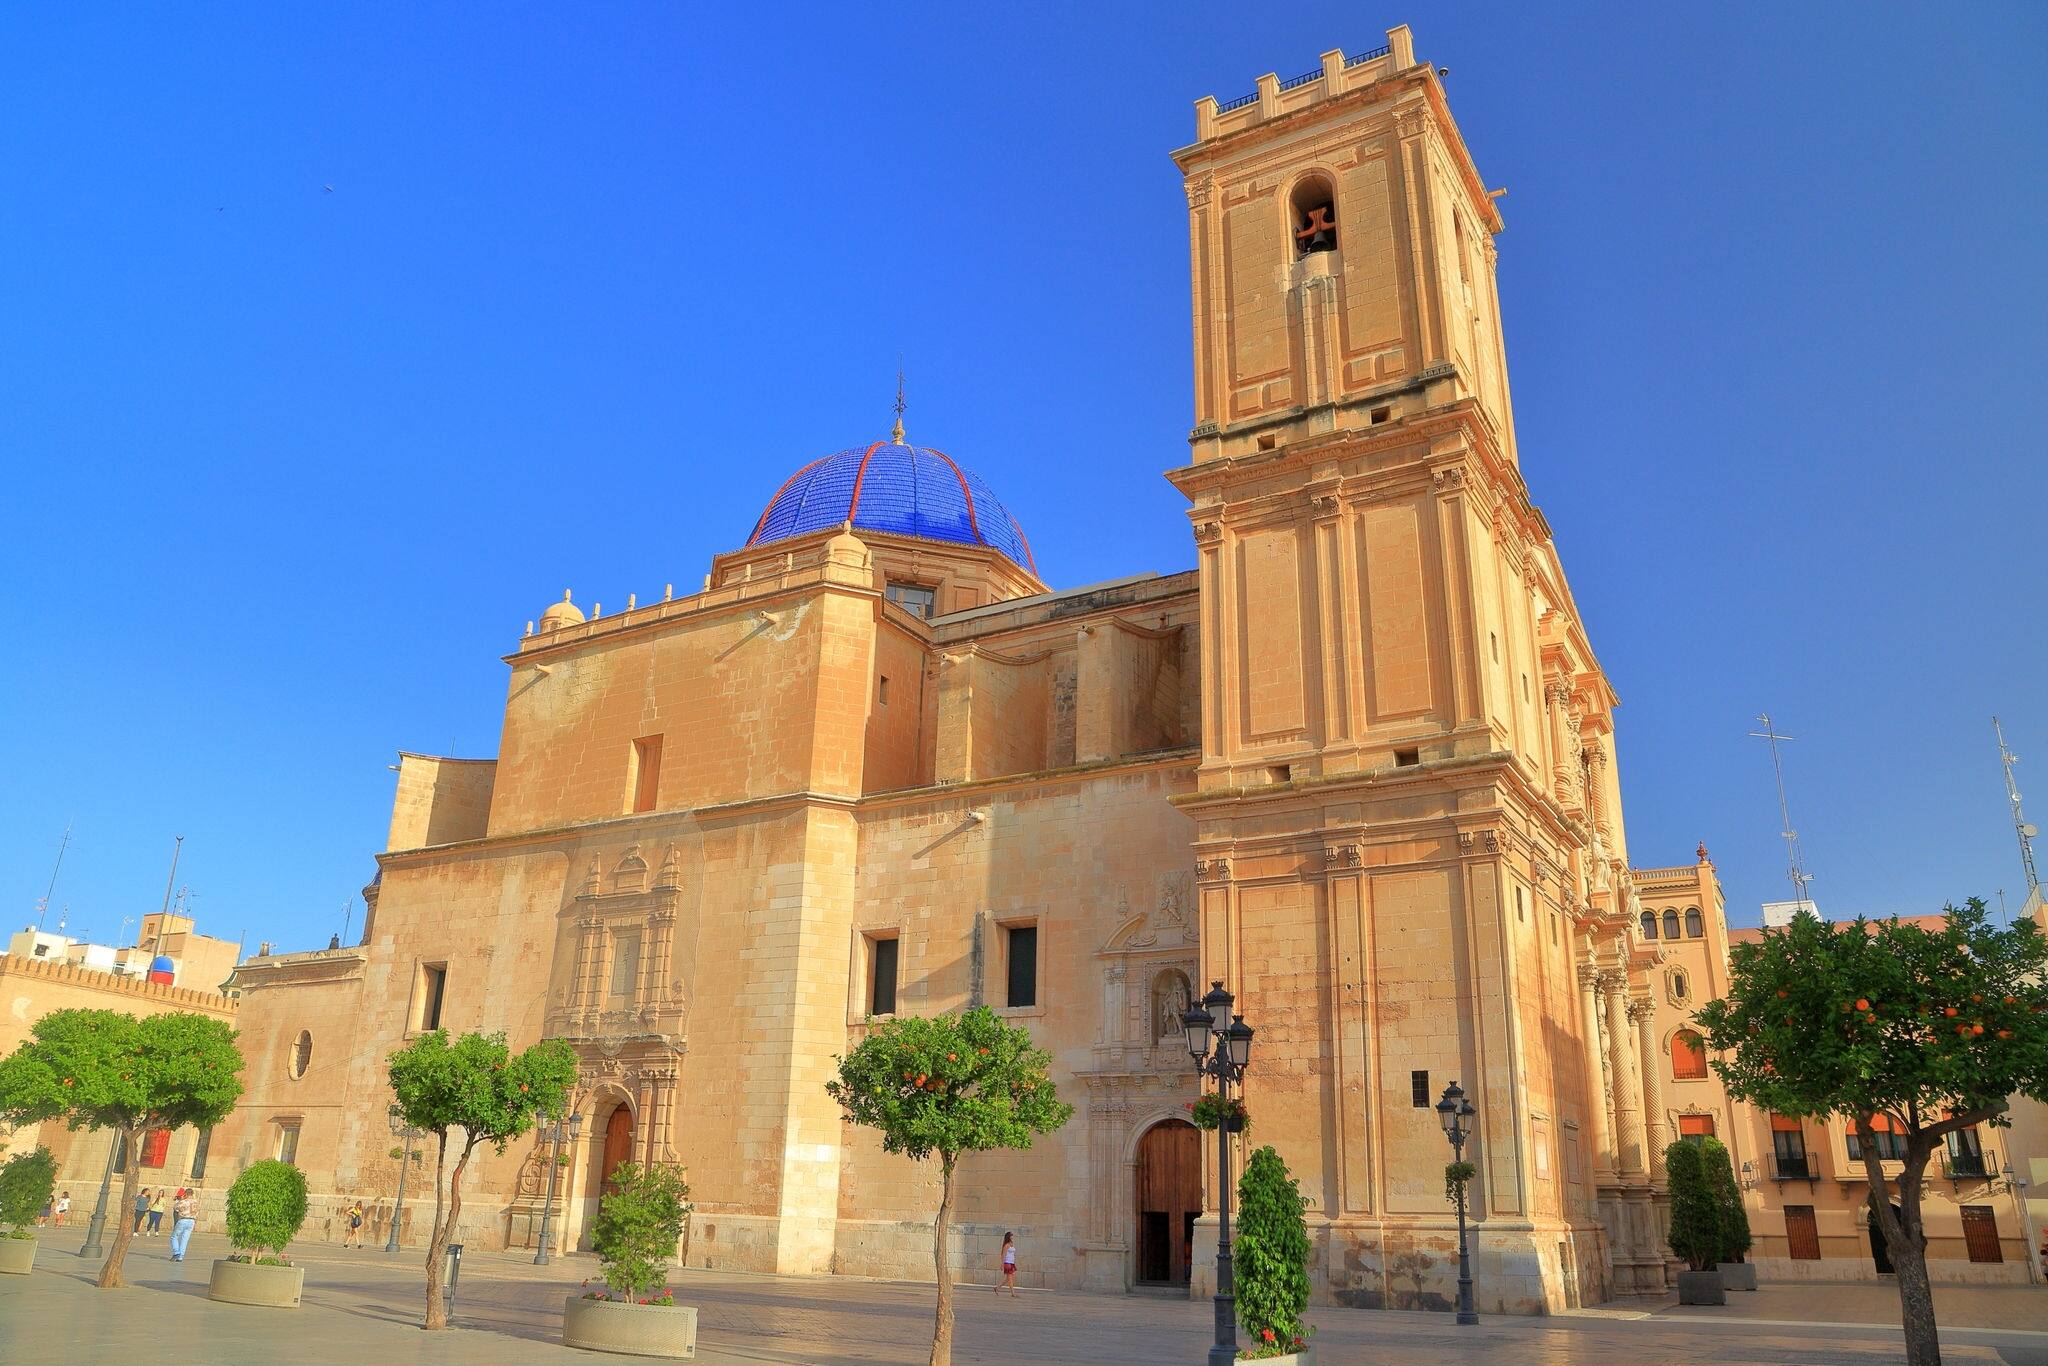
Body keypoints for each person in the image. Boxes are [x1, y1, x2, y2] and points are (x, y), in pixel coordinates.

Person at [169, 1189, 198, 1262]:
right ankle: (181, 1257)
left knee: (174, 1237)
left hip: (183, 1219)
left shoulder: (183, 1201)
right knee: (185, 1239)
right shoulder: (195, 1202)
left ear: (185, 1193)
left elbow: (175, 1208)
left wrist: (181, 1199)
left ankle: (176, 1252)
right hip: (192, 1221)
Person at [999, 1231, 1018, 1297]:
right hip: (1007, 1263)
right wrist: (1002, 1264)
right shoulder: (1006, 1245)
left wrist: (1014, 1262)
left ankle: (997, 1288)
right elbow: (1003, 1255)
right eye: (1011, 1235)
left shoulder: (1011, 1244)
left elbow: (1012, 1254)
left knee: (1008, 1278)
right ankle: (1013, 1293)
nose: (1012, 1236)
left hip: (1011, 1262)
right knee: (1010, 1279)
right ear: (1008, 1237)